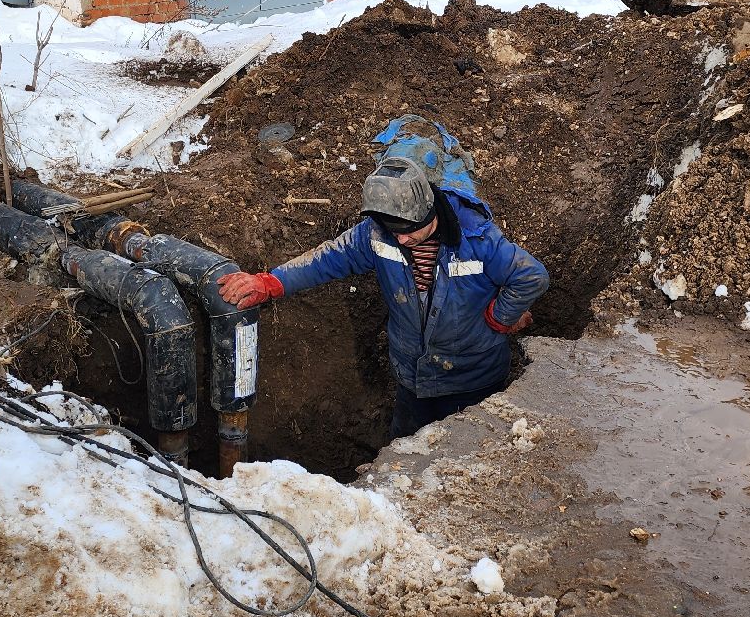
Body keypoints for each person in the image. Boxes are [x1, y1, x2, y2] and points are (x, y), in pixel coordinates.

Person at [218, 156, 549, 439]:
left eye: (410, 231)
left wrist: (500, 317)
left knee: (467, 463)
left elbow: (531, 275)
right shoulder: (377, 233)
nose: (402, 240)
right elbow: (328, 259)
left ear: (429, 212)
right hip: (412, 376)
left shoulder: (477, 239)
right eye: (395, 232)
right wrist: (272, 282)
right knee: (404, 458)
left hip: (472, 379)